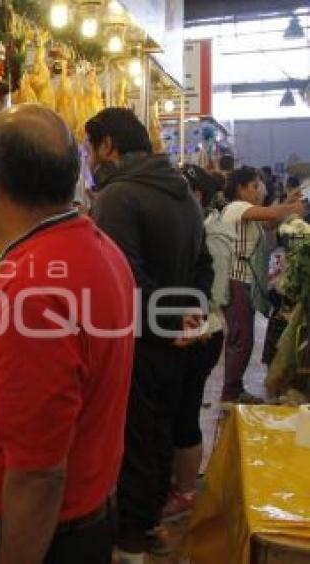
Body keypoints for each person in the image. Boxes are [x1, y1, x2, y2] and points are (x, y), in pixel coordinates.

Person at [0, 105, 136, 564]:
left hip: (38, 536)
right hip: (76, 519)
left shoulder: (34, 291)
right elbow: (50, 381)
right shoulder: (93, 246)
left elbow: (38, 475)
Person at [87, 108, 211, 561]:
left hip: (136, 338)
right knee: (159, 431)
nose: (91, 159)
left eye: (91, 148)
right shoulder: (182, 191)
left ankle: (130, 541)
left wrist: (171, 319)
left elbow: (123, 278)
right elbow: (204, 266)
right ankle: (150, 522)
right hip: (174, 340)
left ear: (107, 146)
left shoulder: (118, 196)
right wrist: (187, 314)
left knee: (135, 439)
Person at [163, 165, 226, 521]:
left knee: (185, 414)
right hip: (190, 331)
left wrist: (188, 312)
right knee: (177, 412)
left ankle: (186, 492)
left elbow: (211, 293)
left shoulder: (205, 232)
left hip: (201, 335)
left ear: (196, 196)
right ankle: (177, 483)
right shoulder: (189, 227)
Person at [219, 166, 308, 403]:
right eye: (255, 186)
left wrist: (288, 201)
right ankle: (230, 393)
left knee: (240, 337)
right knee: (242, 338)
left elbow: (268, 223)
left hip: (243, 281)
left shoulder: (248, 213)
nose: (260, 190)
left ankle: (234, 387)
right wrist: (294, 207)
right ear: (241, 188)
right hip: (235, 280)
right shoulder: (236, 207)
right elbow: (270, 215)